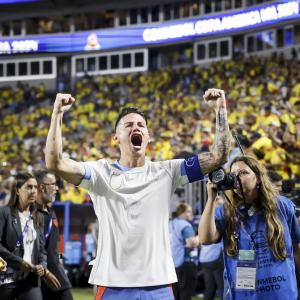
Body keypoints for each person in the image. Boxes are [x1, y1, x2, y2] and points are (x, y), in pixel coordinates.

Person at [45, 89, 231, 299]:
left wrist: (220, 110)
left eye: (141, 125)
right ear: (116, 137)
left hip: (159, 285)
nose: (136, 128)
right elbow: (55, 162)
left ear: (148, 137)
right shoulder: (99, 173)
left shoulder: (167, 171)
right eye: (129, 125)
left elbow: (219, 156)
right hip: (113, 285)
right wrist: (57, 114)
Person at [198, 155, 300, 300]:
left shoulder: (282, 206)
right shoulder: (226, 211)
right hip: (243, 294)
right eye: (233, 175)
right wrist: (211, 199)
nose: (237, 178)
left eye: (244, 173)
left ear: (258, 178)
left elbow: (296, 248)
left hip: (281, 293)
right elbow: (205, 239)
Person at [0, 172, 58, 300]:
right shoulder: (4, 213)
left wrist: (42, 266)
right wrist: (20, 262)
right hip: (7, 278)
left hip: (30, 280)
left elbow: (42, 250)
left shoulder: (38, 217)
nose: (33, 191)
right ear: (17, 191)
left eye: (35, 187)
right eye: (29, 187)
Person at [35, 170, 73, 300]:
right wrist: (45, 272)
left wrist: (60, 259)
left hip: (57, 275)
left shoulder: (50, 211)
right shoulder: (31, 213)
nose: (57, 188)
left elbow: (53, 245)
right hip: (40, 278)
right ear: (41, 186)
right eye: (53, 184)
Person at [170, 202, 199, 300]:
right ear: (181, 213)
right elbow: (192, 243)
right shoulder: (184, 225)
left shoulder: (172, 222)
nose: (191, 214)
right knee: (186, 294)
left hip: (173, 264)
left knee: (176, 295)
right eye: (188, 211)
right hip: (186, 263)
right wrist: (201, 237)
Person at [199, 192, 224, 300]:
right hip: (216, 259)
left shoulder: (205, 218)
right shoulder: (219, 217)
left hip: (205, 259)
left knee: (209, 289)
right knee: (223, 289)